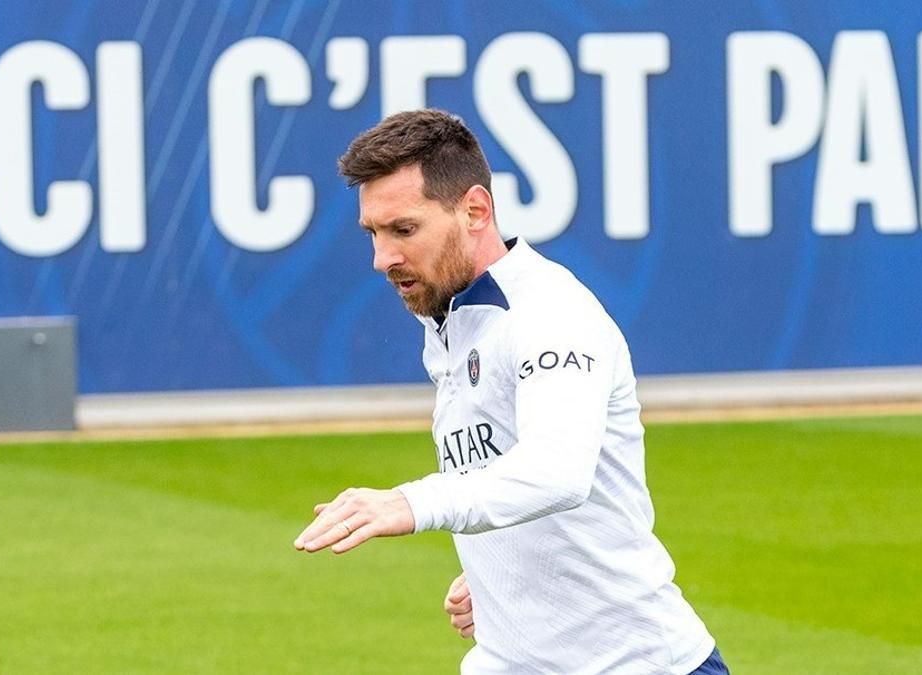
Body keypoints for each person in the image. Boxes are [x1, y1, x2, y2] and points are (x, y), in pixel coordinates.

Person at [294, 109, 728, 674]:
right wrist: (502, 583)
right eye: (373, 233)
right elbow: (503, 473)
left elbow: (556, 472)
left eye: (404, 230)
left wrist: (410, 503)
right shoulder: (448, 319)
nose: (383, 259)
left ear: (475, 210)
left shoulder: (551, 314)